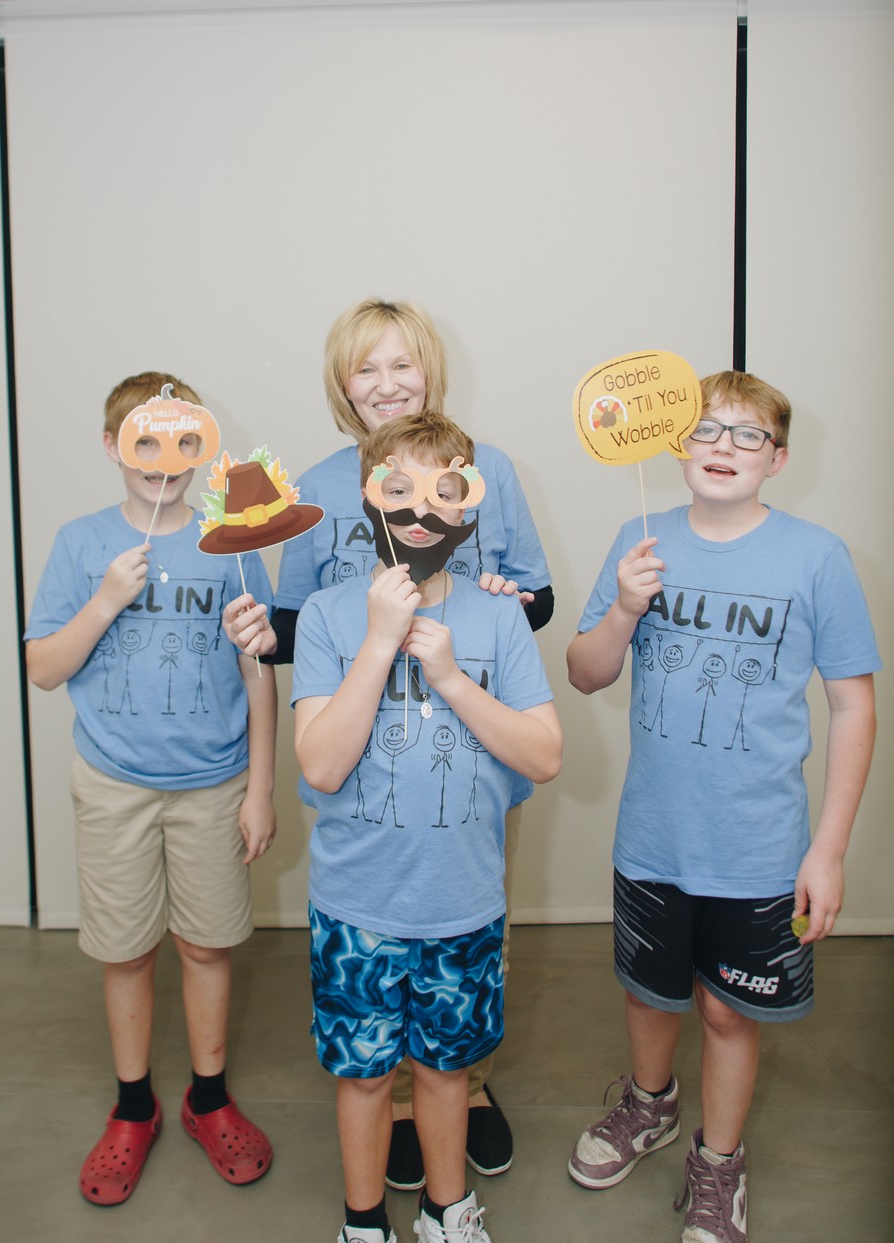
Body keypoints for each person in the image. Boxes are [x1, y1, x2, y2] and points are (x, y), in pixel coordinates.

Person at [224, 297, 553, 1187]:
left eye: (402, 363)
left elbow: (535, 598)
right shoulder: (313, 484)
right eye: (365, 368)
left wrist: (500, 597)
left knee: (466, 934)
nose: (386, 383)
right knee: (376, 948)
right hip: (361, 765)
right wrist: (260, 631)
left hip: (470, 759)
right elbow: (296, 627)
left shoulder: (492, 471)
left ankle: (463, 1085)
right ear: (342, 385)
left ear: (430, 372)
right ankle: (396, 1102)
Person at [565, 371, 879, 1242]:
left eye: (748, 434)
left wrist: (828, 850)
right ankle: (649, 1103)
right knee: (649, 994)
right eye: (705, 429)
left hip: (761, 849)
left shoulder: (817, 557)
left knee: (727, 1010)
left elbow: (854, 706)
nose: (724, 447)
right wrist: (625, 607)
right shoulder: (641, 537)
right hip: (653, 838)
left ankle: (719, 1160)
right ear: (676, 443)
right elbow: (585, 672)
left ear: (778, 459)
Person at [292, 410, 562, 1243]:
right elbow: (321, 765)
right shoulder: (326, 616)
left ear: (469, 504)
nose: (421, 509)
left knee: (448, 1072)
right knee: (366, 1077)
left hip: (463, 904)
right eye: (399, 488)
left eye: (445, 490)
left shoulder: (499, 618)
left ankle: (449, 1211)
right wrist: (379, 644)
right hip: (357, 907)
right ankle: (364, 1222)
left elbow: (545, 753)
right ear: (367, 499)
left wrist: (449, 677)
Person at [25, 371, 277, 1206]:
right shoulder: (80, 542)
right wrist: (106, 599)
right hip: (113, 784)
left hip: (214, 785)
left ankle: (209, 1097)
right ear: (113, 446)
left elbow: (259, 669)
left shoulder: (231, 540)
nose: (163, 458)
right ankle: (134, 1106)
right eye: (143, 439)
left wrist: (260, 788)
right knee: (127, 950)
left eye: (183, 440)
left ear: (203, 447)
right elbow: (43, 668)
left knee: (206, 945)